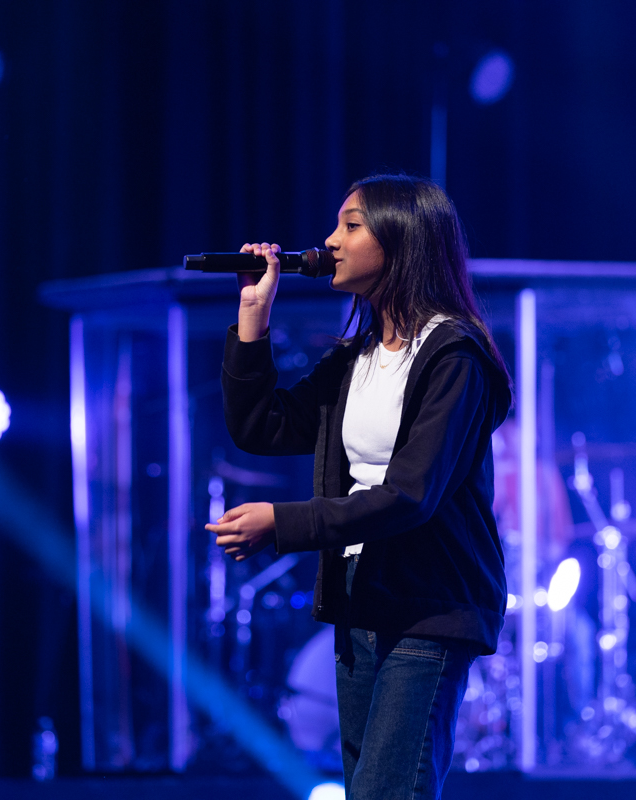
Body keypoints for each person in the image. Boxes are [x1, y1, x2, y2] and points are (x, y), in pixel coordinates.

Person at [205, 174, 512, 799]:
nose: (330, 241)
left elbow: (410, 494)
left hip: (427, 602)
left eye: (351, 226)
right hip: (360, 594)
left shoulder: (455, 356)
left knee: (386, 792)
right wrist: (252, 318)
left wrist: (283, 523)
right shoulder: (359, 356)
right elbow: (263, 426)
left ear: (402, 239)